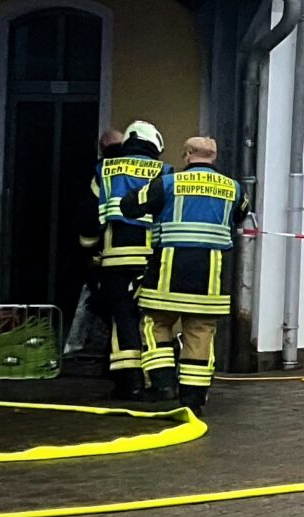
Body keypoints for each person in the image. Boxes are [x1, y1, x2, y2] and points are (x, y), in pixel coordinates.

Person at [122, 136, 245, 410]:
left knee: (155, 323)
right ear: (214, 157)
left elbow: (130, 206)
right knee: (200, 332)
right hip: (210, 278)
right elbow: (240, 213)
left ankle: (163, 383)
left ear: (188, 154)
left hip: (167, 273)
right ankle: (193, 399)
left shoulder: (168, 183)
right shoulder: (234, 188)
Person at [83, 121, 165, 397]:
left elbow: (88, 216)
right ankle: (158, 381)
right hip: (152, 260)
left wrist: (89, 251)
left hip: (115, 259)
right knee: (152, 319)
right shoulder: (164, 173)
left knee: (123, 318)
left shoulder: (105, 171)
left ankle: (130, 383)